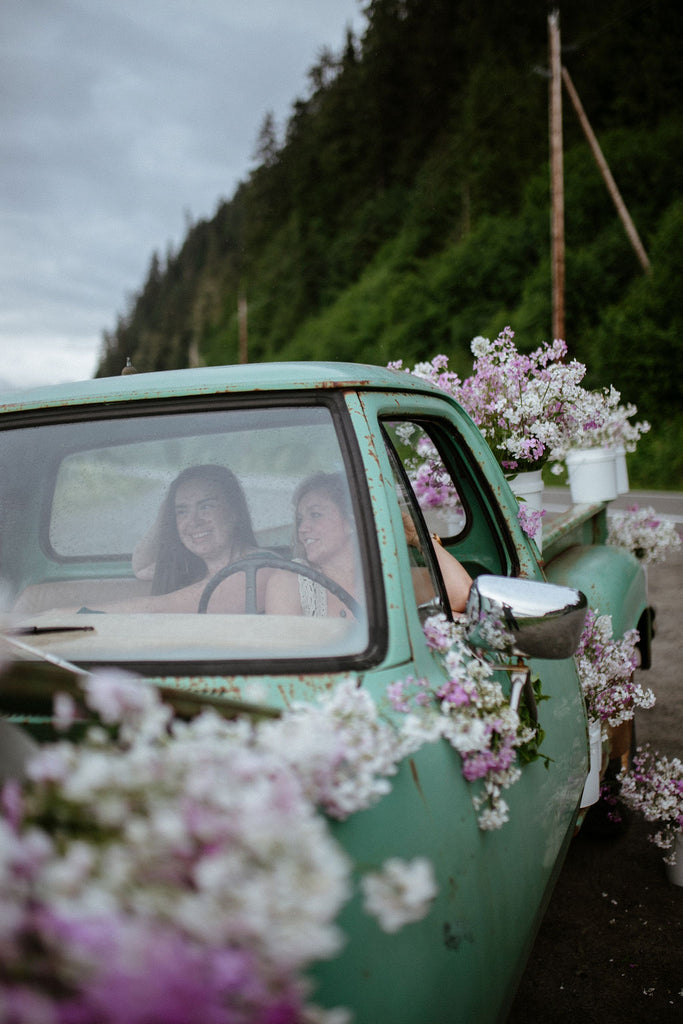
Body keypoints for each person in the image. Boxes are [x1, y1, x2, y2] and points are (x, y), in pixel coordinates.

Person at [86, 464, 267, 614]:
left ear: (234, 512)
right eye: (182, 511)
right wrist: (166, 513)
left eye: (206, 506)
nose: (193, 521)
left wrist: (67, 616)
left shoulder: (259, 567)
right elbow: (141, 567)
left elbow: (157, 608)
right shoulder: (196, 568)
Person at [265, 472, 361, 618]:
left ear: (350, 522)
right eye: (300, 519)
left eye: (315, 515)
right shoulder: (288, 583)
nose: (302, 528)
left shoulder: (389, 575)